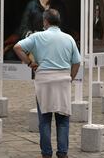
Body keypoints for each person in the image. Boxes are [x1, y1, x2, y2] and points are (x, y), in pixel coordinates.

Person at [13, 9, 80, 158]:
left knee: (44, 120)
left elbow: (17, 47)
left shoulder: (37, 37)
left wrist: (30, 63)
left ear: (45, 21)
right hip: (63, 81)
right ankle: (62, 153)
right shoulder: (68, 39)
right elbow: (77, 62)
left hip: (44, 81)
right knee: (63, 121)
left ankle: (46, 153)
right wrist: (70, 77)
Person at [4, 0, 68, 60]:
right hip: (32, 42)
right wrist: (32, 37)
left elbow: (62, 27)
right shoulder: (32, 5)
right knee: (10, 56)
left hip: (52, 44)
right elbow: (24, 27)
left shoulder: (60, 7)